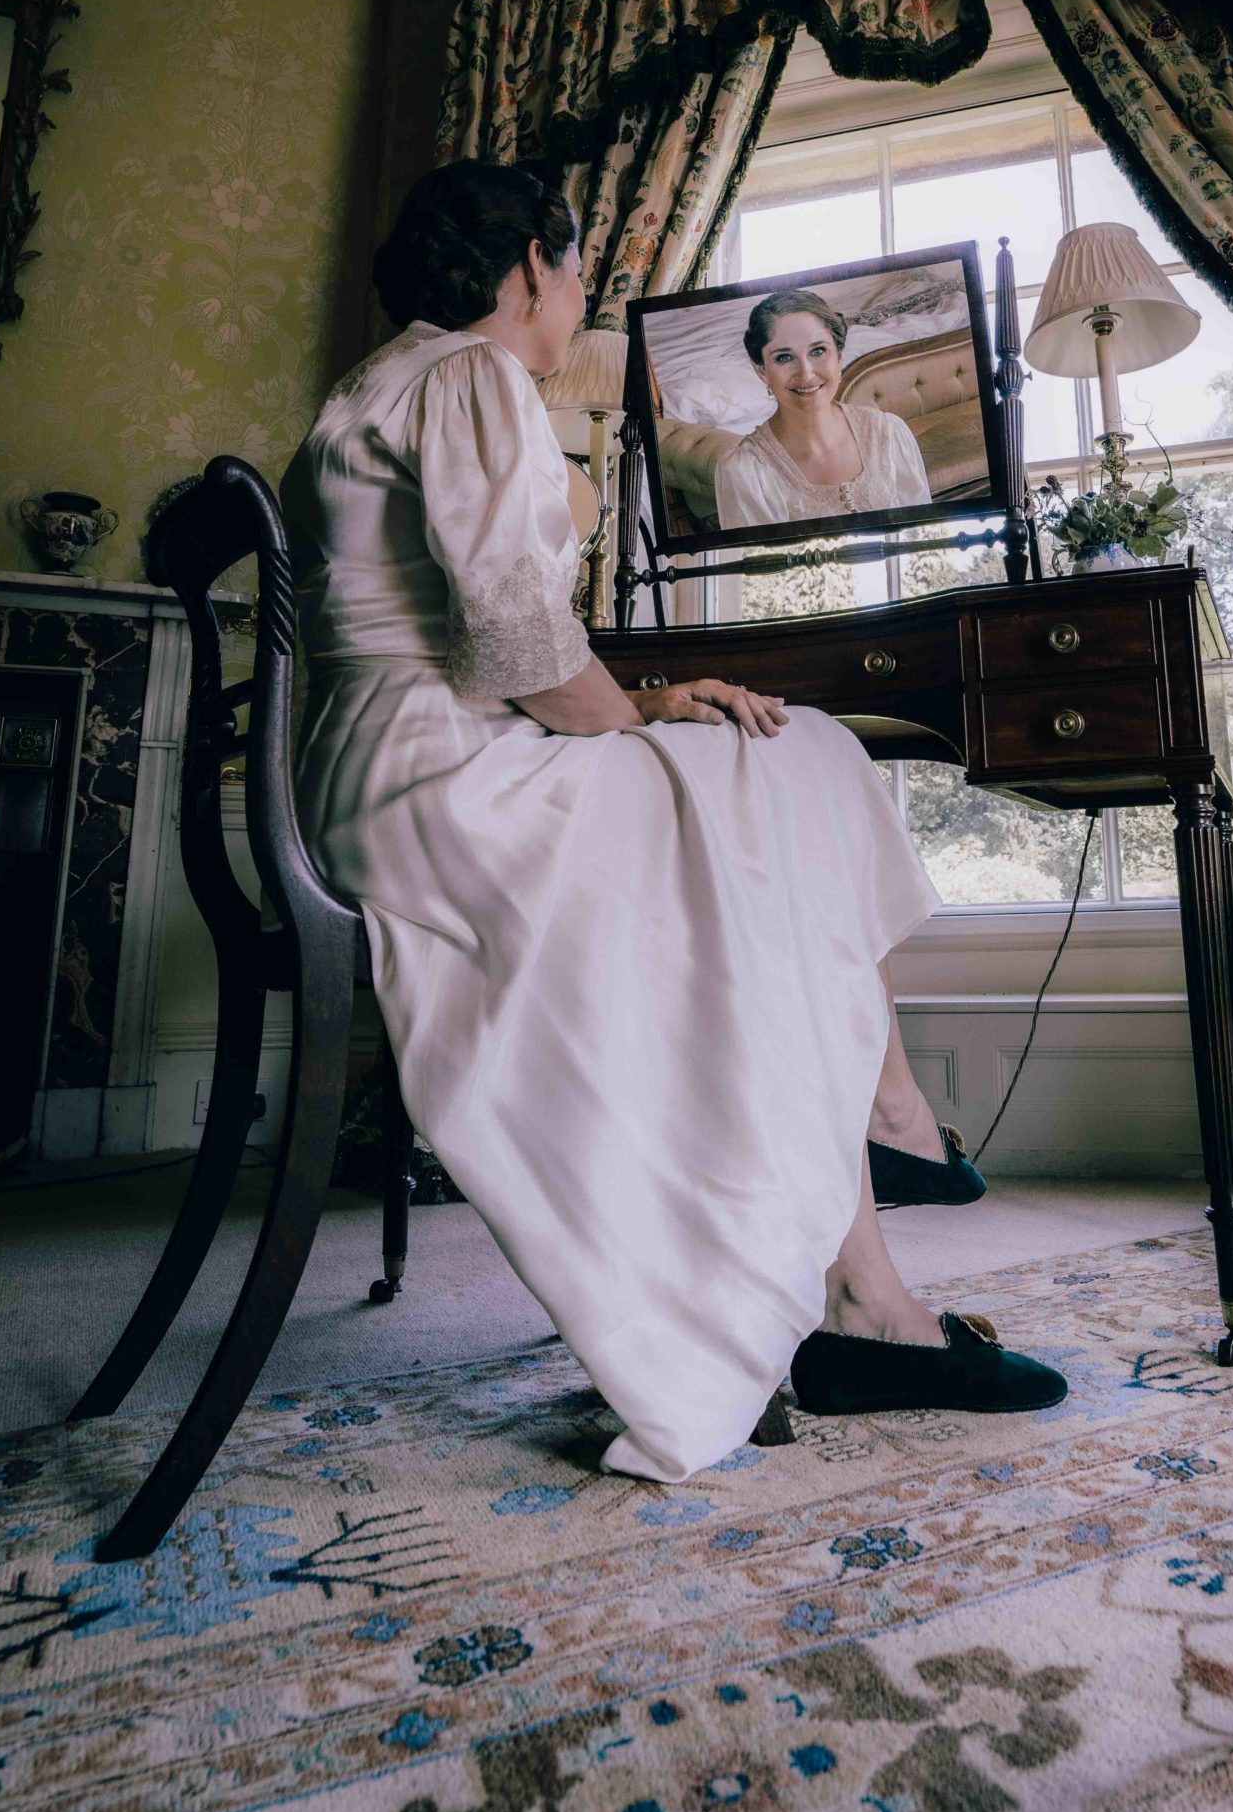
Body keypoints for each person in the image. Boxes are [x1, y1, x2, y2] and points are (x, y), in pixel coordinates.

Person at [282, 161, 1063, 1483]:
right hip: (438, 786)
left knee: (757, 783)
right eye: (577, 268)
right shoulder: (473, 377)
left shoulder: (370, 387)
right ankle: (880, 1161)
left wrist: (643, 701)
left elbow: (480, 645)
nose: (576, 296)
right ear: (535, 260)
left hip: (384, 770)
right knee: (794, 754)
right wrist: (643, 716)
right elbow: (516, 635)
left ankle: (866, 1243)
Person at [714, 289, 933, 531]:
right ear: (762, 370)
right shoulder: (746, 472)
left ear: (839, 357)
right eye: (784, 358)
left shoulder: (889, 434)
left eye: (818, 351)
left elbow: (922, 536)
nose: (806, 374)